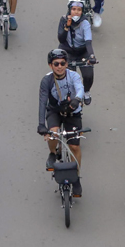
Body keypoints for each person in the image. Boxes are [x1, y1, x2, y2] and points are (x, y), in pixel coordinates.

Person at [38, 48, 85, 197]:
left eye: (62, 63)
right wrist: (41, 125)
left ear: (66, 64)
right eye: (56, 63)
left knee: (74, 146)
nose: (59, 66)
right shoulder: (46, 80)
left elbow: (80, 89)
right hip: (54, 111)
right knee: (54, 134)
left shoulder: (73, 76)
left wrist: (77, 100)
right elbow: (42, 102)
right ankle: (53, 153)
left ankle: (76, 177)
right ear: (50, 65)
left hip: (72, 113)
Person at [58, 0, 97, 104]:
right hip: (68, 51)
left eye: (79, 10)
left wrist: (92, 56)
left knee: (88, 75)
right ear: (69, 10)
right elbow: (61, 39)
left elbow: (88, 42)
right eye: (74, 9)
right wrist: (67, 26)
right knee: (69, 77)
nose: (76, 12)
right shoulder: (63, 20)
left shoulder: (85, 23)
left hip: (82, 52)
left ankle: (86, 92)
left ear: (82, 11)